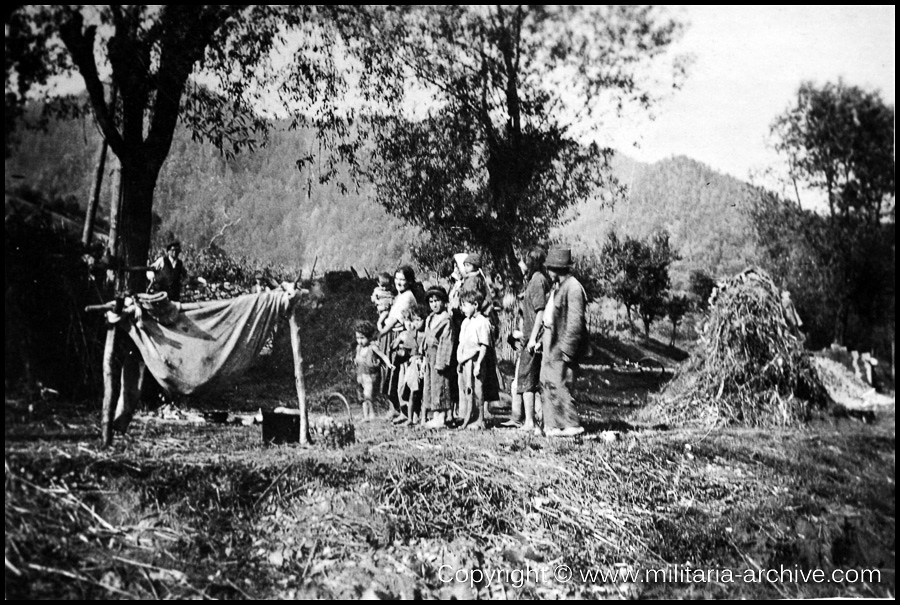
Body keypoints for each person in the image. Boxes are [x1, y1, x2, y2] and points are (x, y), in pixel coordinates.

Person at [539, 247, 589, 437]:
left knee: (560, 383)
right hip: (553, 340)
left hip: (563, 342)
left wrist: (568, 350)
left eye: (550, 268)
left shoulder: (573, 287)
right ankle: (555, 425)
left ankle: (571, 423)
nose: (549, 272)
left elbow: (575, 322)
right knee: (548, 382)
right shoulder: (559, 287)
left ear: (556, 268)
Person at [503, 247, 550, 431]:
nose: (520, 265)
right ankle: (531, 420)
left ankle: (529, 421)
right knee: (525, 379)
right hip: (528, 336)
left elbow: (540, 311)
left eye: (523, 261)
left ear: (530, 263)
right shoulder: (534, 281)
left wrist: (532, 338)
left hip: (532, 339)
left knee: (526, 379)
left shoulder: (537, 281)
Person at [378, 266, 420, 420]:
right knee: (389, 372)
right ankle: (395, 408)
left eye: (402, 279)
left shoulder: (407, 297)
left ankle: (401, 409)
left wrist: (380, 331)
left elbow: (394, 320)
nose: (399, 282)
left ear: (409, 281)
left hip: (398, 335)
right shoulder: (399, 295)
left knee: (395, 372)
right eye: (397, 279)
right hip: (391, 333)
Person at [456, 289, 500, 430]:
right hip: (465, 361)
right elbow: (462, 343)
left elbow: (484, 346)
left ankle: (480, 419)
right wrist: (460, 361)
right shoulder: (465, 322)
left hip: (476, 360)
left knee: (478, 390)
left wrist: (479, 364)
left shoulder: (482, 322)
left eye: (465, 305)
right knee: (467, 390)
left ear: (475, 304)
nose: (463, 309)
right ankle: (469, 417)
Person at [422, 286, 455, 429]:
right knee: (430, 386)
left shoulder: (446, 320)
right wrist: (423, 356)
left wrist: (441, 362)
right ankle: (434, 415)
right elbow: (425, 337)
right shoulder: (430, 318)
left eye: (437, 301)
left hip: (439, 356)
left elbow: (447, 341)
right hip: (429, 356)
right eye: (431, 301)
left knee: (440, 386)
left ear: (444, 301)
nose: (434, 304)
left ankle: (441, 417)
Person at [353, 320, 394, 422]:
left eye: (362, 338)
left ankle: (372, 414)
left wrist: (388, 363)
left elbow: (382, 355)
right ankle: (365, 415)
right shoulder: (358, 348)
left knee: (368, 396)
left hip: (370, 376)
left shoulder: (372, 347)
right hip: (360, 376)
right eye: (358, 338)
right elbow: (357, 360)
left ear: (369, 337)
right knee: (362, 396)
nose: (360, 341)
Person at [393, 305, 427, 426]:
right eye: (415, 320)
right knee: (412, 390)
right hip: (413, 364)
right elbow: (405, 349)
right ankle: (410, 417)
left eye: (419, 320)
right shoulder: (412, 334)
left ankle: (422, 417)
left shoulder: (426, 334)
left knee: (423, 392)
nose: (416, 323)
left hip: (423, 363)